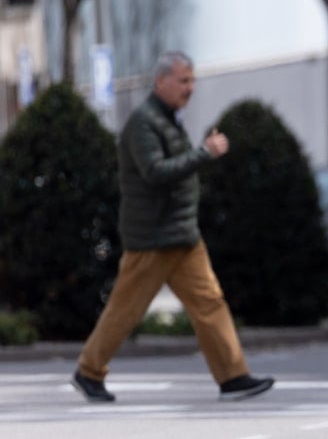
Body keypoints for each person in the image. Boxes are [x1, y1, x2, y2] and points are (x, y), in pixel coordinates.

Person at [71, 51, 274, 403]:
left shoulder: (166, 120)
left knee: (210, 302)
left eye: (192, 80)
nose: (190, 88)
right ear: (160, 81)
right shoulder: (144, 123)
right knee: (126, 309)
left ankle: (233, 376)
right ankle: (89, 371)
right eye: (183, 80)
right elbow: (156, 172)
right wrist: (204, 153)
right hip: (153, 238)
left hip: (181, 235)